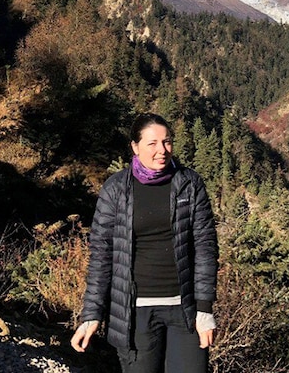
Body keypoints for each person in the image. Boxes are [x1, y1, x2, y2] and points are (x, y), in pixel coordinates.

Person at [71, 113, 218, 373]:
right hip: (135, 314)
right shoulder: (116, 189)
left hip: (185, 310)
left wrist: (204, 308)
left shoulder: (189, 184)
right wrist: (91, 314)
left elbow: (205, 247)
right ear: (135, 147)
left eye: (167, 142)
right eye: (152, 143)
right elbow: (102, 256)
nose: (162, 150)